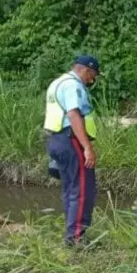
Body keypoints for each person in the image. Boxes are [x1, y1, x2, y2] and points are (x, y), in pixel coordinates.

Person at [44, 55, 100, 246]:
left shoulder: (57, 83)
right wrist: (87, 148)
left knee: (70, 188)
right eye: (92, 76)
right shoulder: (72, 85)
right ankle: (76, 238)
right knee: (83, 189)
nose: (91, 81)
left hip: (57, 139)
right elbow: (74, 114)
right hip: (71, 140)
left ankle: (72, 233)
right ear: (85, 70)